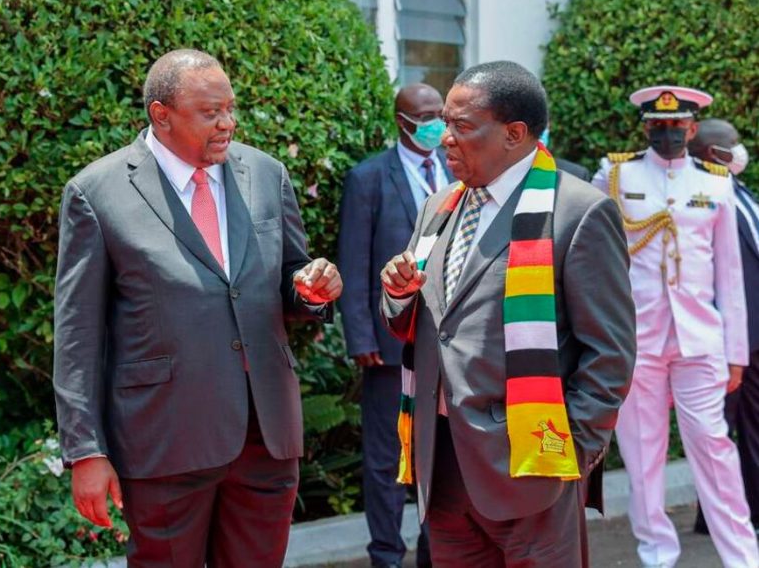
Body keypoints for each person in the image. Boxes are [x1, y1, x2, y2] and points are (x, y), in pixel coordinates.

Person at [53, 49, 342, 567]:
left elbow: (291, 277)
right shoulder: (97, 193)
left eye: (231, 108)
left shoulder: (265, 173)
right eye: (210, 112)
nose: (227, 123)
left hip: (266, 436)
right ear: (160, 114)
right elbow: (77, 335)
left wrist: (312, 289)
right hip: (164, 440)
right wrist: (86, 451)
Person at [380, 60, 635, 566]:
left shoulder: (578, 212)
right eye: (445, 125)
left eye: (462, 126)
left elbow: (610, 353)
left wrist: (571, 454)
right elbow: (427, 324)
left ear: (514, 134)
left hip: (531, 468)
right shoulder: (440, 206)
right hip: (445, 464)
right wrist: (399, 294)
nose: (445, 138)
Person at [592, 88, 759, 568]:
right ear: (645, 128)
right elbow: (596, 254)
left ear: (692, 128)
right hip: (637, 338)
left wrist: (736, 354)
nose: (668, 134)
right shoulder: (617, 175)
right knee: (643, 455)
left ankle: (741, 557)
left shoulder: (717, 184)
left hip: (700, 340)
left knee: (713, 446)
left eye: (677, 125)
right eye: (658, 126)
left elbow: (730, 276)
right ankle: (657, 556)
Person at [338, 82, 452, 568]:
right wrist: (361, 336)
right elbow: (354, 257)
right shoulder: (368, 179)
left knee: (438, 455)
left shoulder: (458, 171)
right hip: (388, 345)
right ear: (402, 122)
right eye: (425, 117)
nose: (436, 125)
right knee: (386, 460)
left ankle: (435, 551)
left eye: (440, 115)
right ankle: (386, 554)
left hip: (447, 345)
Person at [688, 119, 759, 536]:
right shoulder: (704, 201)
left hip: (752, 340)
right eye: (734, 145)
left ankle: (747, 510)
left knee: (748, 430)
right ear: (715, 155)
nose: (742, 151)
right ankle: (716, 519)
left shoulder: (742, 194)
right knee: (719, 435)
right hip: (725, 342)